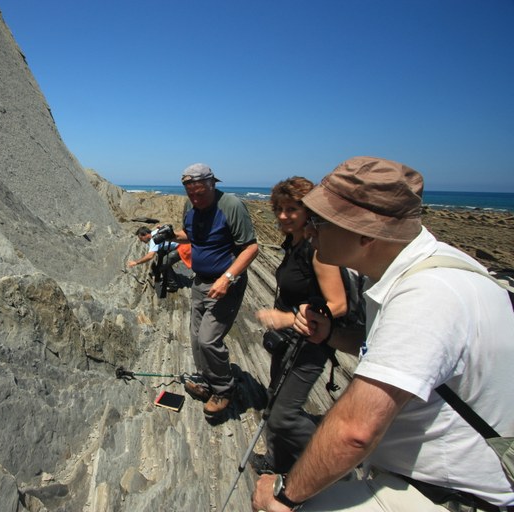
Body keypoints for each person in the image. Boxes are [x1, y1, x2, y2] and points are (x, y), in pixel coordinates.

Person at [251, 156, 514, 511]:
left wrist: (283, 494)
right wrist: (330, 335)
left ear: (365, 231)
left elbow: (355, 432)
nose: (309, 230)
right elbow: (385, 350)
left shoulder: (426, 297)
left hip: (448, 492)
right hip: (427, 474)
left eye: (320, 221)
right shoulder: (433, 266)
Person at [253, 177, 347, 474]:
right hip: (288, 341)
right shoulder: (293, 242)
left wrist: (288, 319)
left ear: (308, 210)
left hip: (309, 345)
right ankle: (277, 462)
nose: (283, 215)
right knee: (274, 399)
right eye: (279, 208)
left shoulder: (316, 248)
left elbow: (338, 304)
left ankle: (333, 461)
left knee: (284, 416)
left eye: (292, 208)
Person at [172, 163, 259, 418]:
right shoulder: (190, 205)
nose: (196, 199)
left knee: (209, 339)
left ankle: (224, 389)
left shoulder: (230, 205)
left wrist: (228, 277)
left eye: (200, 193)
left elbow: (251, 248)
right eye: (191, 194)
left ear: (212, 184)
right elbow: (190, 235)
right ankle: (206, 381)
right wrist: (170, 235)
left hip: (225, 283)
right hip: (200, 281)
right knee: (196, 336)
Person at [127, 226, 181, 291]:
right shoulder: (155, 231)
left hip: (181, 248)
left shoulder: (153, 240)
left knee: (163, 264)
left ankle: (173, 285)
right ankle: (170, 276)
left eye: (141, 238)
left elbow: (150, 256)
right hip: (179, 244)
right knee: (161, 254)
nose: (141, 241)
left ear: (145, 235)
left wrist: (136, 262)